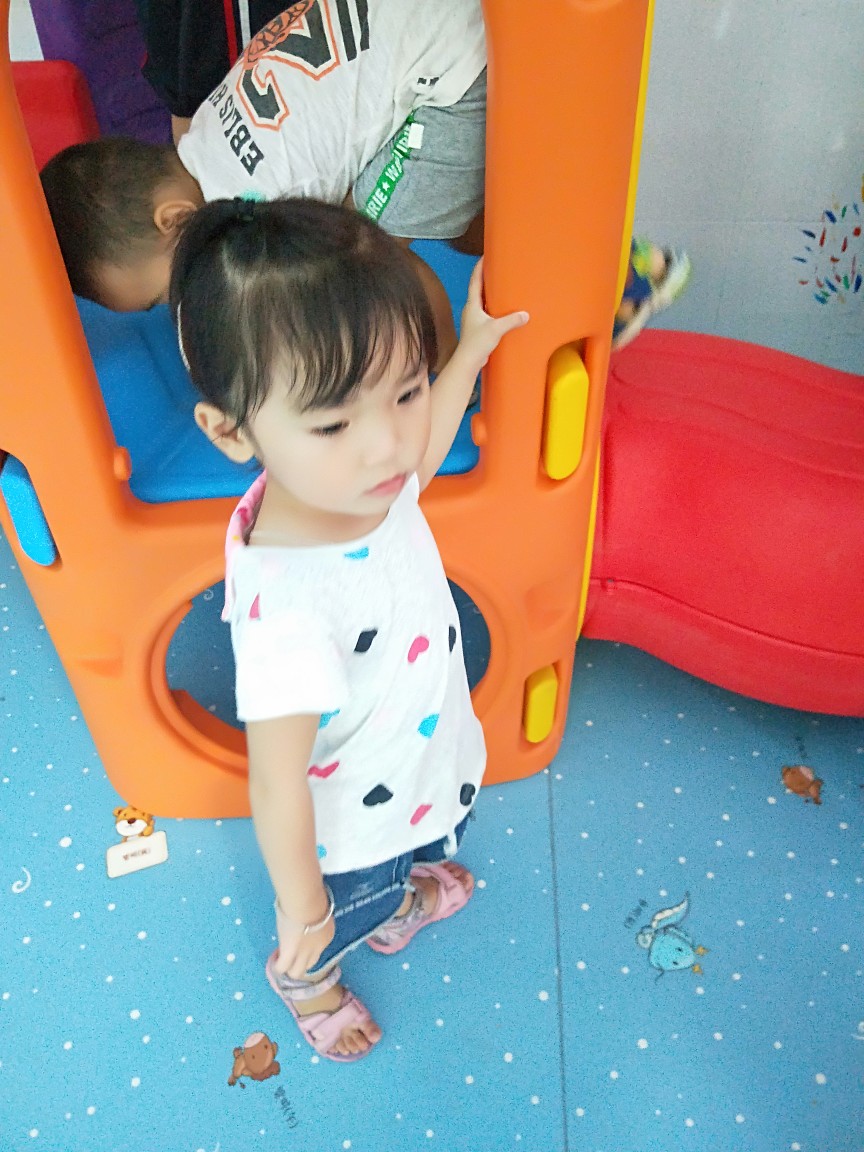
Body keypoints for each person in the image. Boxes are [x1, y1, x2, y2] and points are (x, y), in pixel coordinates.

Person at [169, 195, 528, 1061]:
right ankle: (309, 980)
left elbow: (425, 449)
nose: (388, 445)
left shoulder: (354, 485)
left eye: (406, 390)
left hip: (415, 761)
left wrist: (470, 351)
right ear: (230, 432)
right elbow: (275, 786)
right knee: (348, 910)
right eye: (333, 422)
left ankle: (398, 902)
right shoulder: (292, 610)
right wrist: (306, 910)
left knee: (422, 849)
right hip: (349, 835)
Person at [41, 0, 689, 361]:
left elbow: (325, 268)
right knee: (430, 209)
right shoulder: (206, 136)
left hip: (449, 78)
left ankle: (442, 374)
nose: (180, 302)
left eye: (164, 293)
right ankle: (598, 264)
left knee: (375, 252)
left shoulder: (243, 200)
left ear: (174, 219)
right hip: (432, 34)